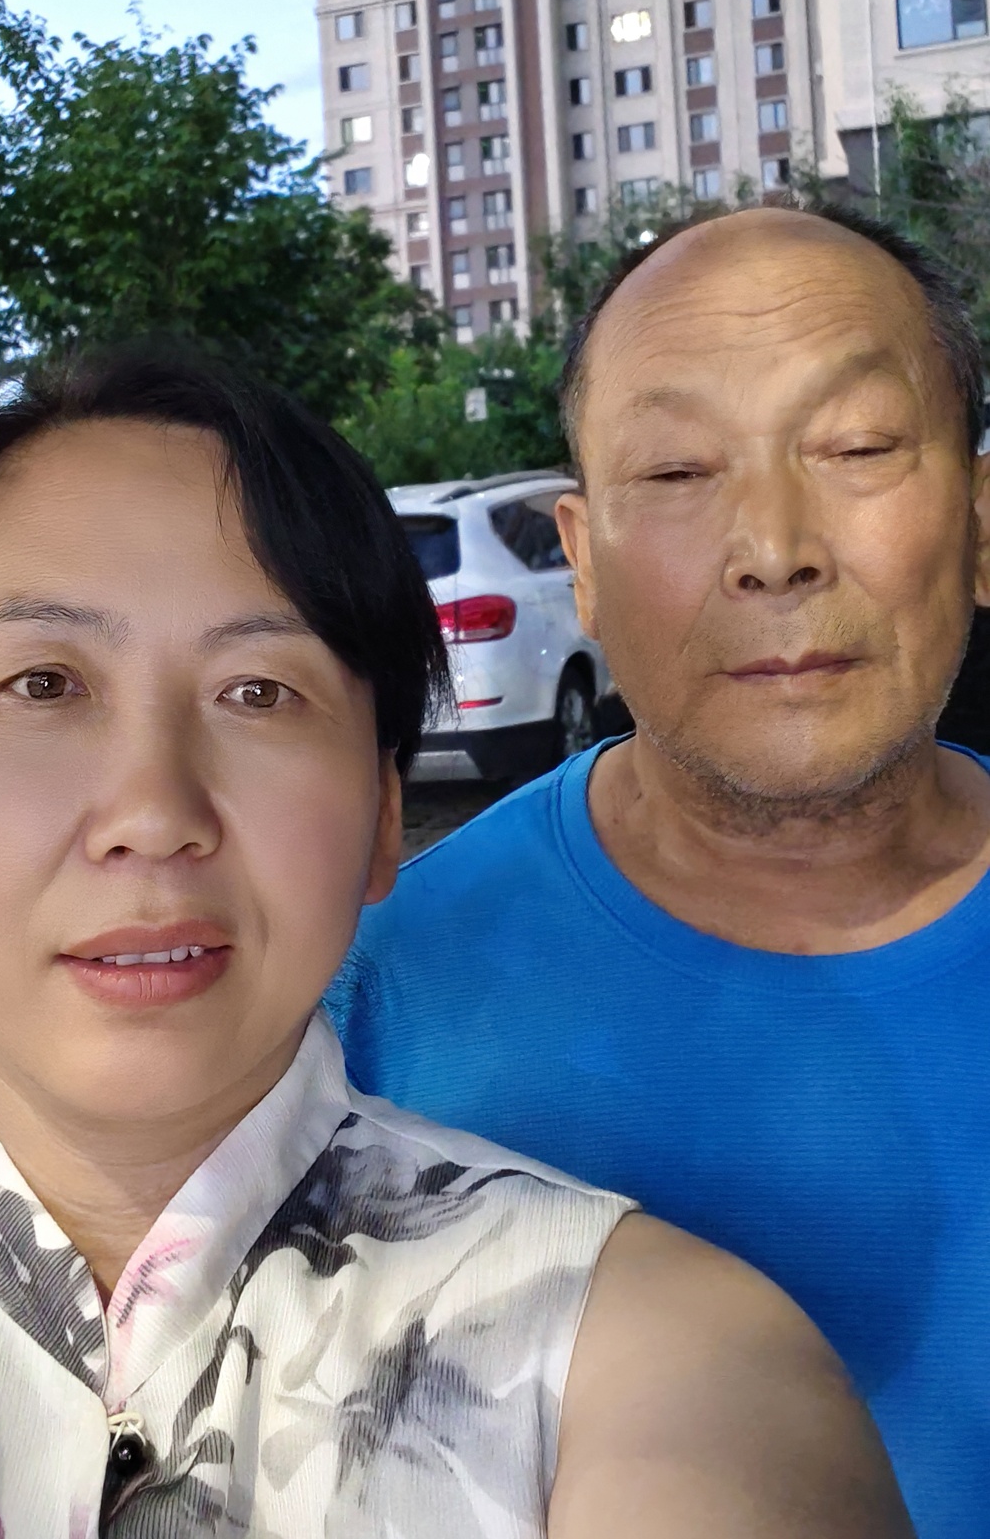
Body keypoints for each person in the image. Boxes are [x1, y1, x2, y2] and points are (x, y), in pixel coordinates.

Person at [0, 343, 908, 1539]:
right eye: (42, 684)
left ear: (382, 821)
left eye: (258, 692)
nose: (151, 811)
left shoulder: (650, 1358)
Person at [330, 203, 990, 1539]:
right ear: (580, 563)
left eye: (858, 447)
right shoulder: (369, 1002)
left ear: (980, 521)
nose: (775, 549)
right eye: (679, 471)